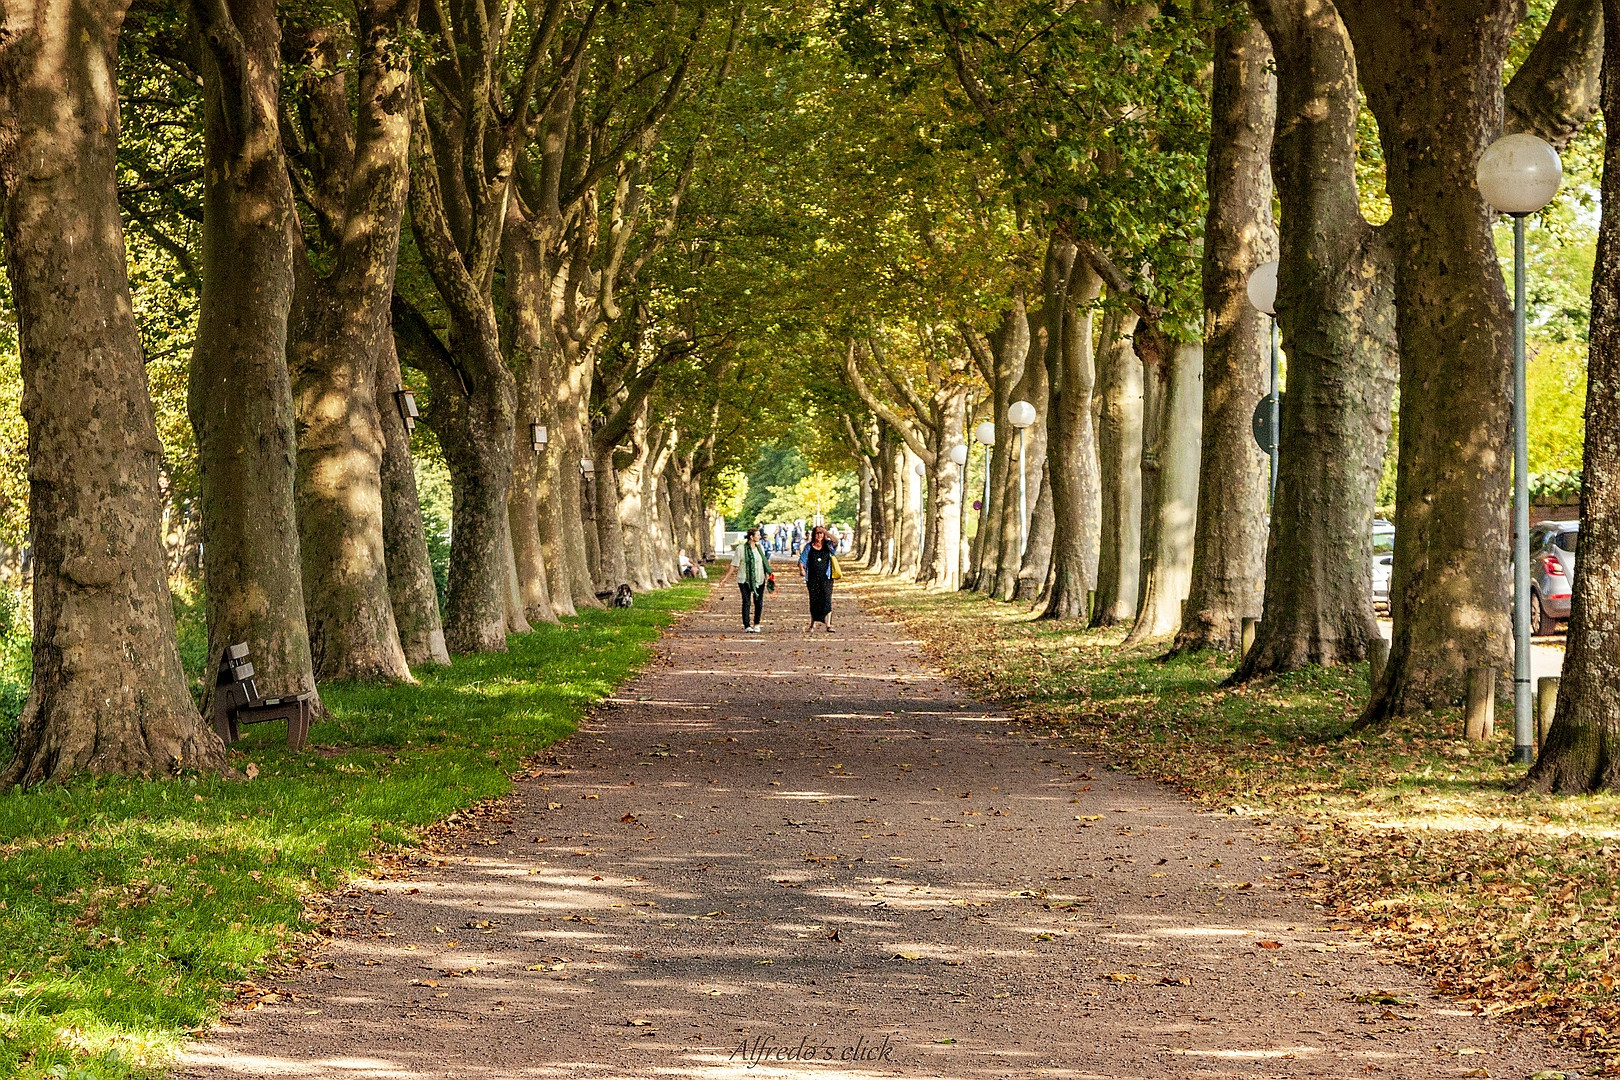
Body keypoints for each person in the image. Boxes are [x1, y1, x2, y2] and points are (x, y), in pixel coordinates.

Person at [798, 523, 837, 633]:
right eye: (817, 533)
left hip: (826, 577)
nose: (819, 536)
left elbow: (836, 541)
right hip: (812, 578)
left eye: (821, 533)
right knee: (814, 600)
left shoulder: (828, 545)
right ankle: (812, 624)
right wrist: (802, 569)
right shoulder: (809, 546)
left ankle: (828, 624)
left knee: (826, 599)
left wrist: (825, 532)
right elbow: (802, 559)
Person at [731, 527, 770, 633]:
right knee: (746, 601)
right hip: (744, 579)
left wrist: (768, 574)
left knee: (758, 602)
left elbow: (764, 562)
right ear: (751, 537)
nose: (760, 536)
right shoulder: (741, 549)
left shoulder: (759, 547)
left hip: (759, 578)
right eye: (757, 535)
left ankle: (757, 623)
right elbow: (734, 565)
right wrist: (725, 579)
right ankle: (747, 625)